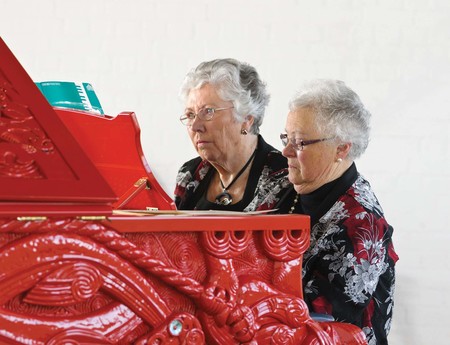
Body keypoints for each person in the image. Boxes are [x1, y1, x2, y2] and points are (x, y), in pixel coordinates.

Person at [275, 79, 398, 344]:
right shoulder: (283, 189)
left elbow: (315, 318)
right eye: (286, 138)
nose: (285, 151)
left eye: (299, 143)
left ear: (341, 148)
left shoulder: (362, 222)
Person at [174, 58, 289, 211]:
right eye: (190, 115)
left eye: (208, 111)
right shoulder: (189, 174)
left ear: (246, 119)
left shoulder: (283, 176)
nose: (195, 126)